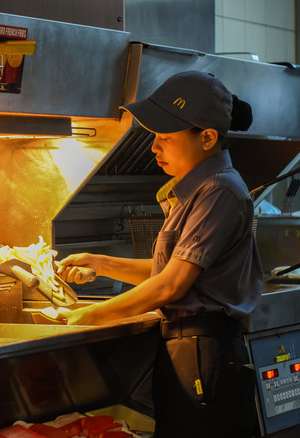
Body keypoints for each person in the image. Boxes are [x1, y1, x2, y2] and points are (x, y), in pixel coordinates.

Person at [56, 70, 263, 438]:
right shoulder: (196, 192)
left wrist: (89, 316)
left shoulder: (219, 191)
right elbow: (165, 270)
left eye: (165, 138)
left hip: (205, 352)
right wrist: (101, 263)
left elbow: (171, 285)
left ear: (208, 138)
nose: (154, 147)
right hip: (188, 351)